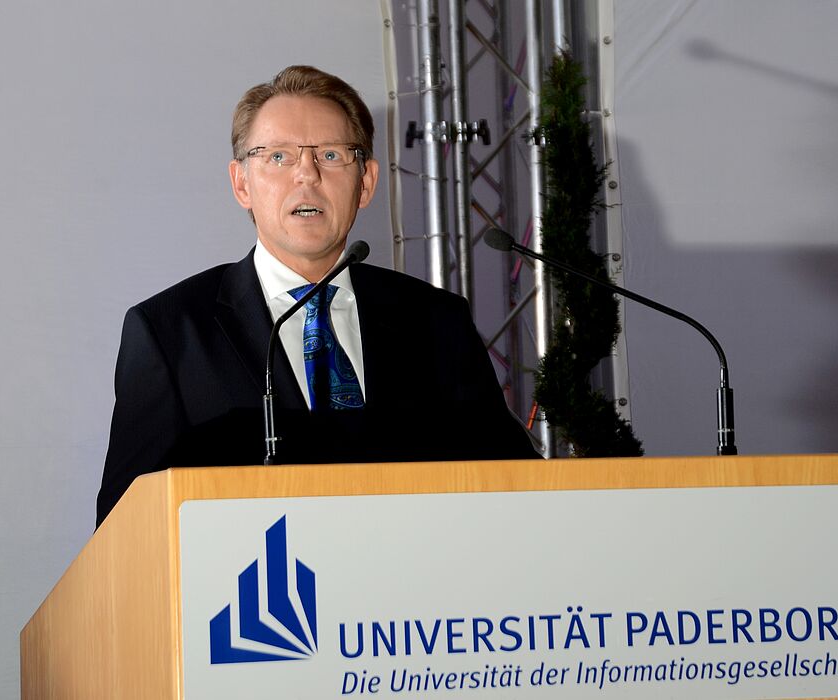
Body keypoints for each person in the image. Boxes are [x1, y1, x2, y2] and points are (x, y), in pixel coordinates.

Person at [96, 66, 538, 526]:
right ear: (242, 183)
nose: (306, 176)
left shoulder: (436, 321)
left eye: (330, 155)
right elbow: (123, 528)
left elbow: (515, 486)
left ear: (366, 182)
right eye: (279, 157)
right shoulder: (171, 333)